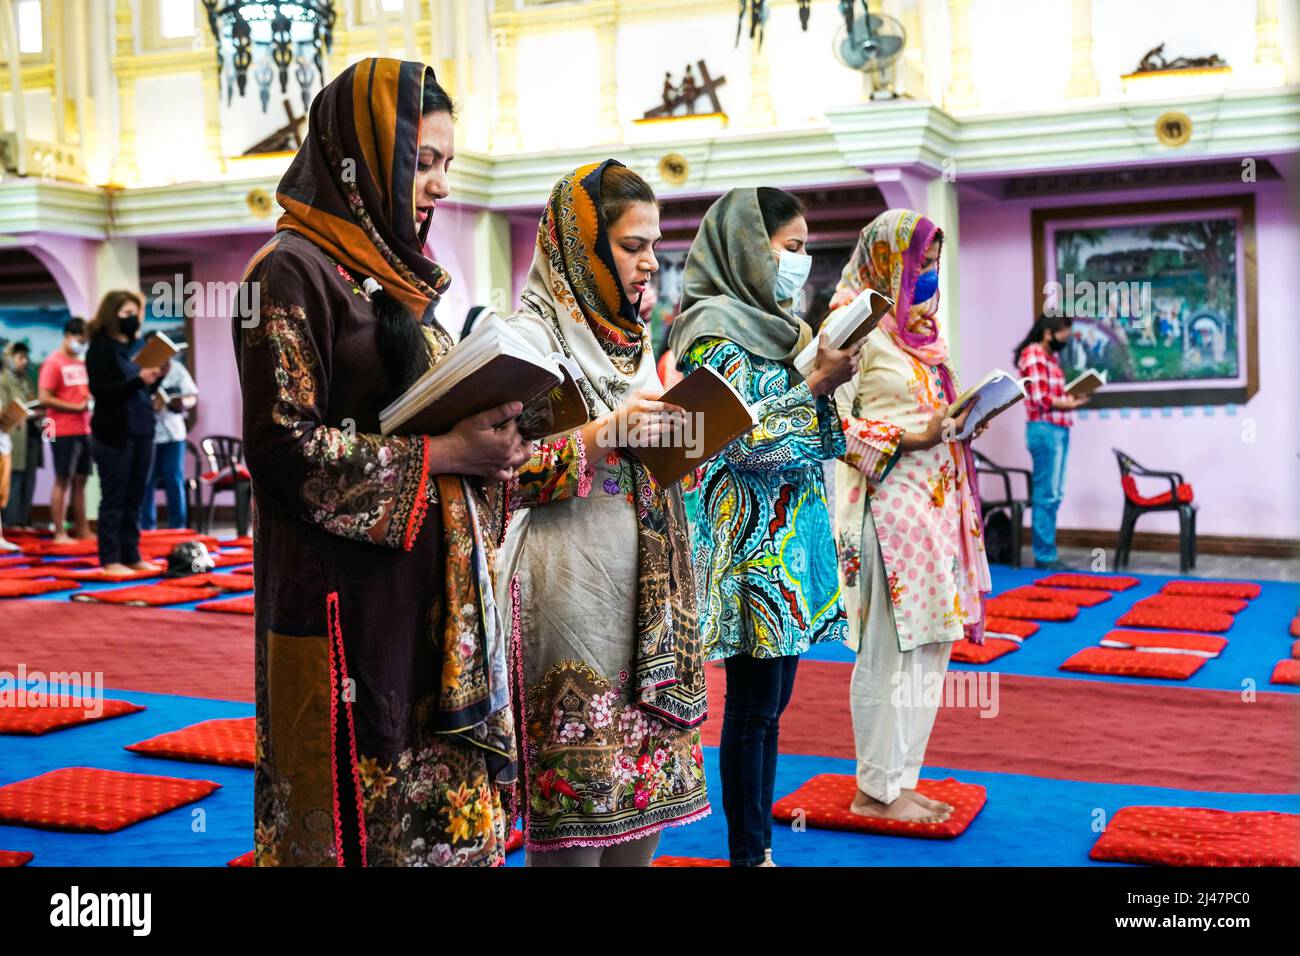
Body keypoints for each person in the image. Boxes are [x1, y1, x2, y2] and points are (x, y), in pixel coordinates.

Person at [236, 59, 529, 867]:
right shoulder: (286, 272)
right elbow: (282, 449)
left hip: (427, 600)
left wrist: (495, 432)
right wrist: (445, 451)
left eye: (445, 165)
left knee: (434, 831)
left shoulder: (396, 282)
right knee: (351, 828)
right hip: (345, 604)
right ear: (362, 161)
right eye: (421, 163)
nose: (438, 185)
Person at [495, 160, 709, 866]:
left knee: (639, 817)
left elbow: (642, 447)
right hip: (571, 601)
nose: (650, 262)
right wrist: (602, 435)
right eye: (630, 245)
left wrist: (683, 445)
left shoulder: (629, 337)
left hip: (650, 612)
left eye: (654, 245)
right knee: (577, 830)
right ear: (579, 250)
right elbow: (499, 474)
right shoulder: (525, 341)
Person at [669, 186, 860, 866]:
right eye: (793, 248)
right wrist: (814, 387)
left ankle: (760, 848)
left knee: (771, 705)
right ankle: (749, 854)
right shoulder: (710, 336)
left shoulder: (781, 329)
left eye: (808, 249)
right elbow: (740, 443)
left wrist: (825, 375)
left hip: (790, 544)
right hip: (748, 547)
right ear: (750, 247)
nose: (802, 264)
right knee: (751, 711)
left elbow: (803, 431)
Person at [829, 209, 991, 824]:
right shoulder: (854, 324)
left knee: (931, 645)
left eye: (932, 262)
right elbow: (824, 423)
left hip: (937, 508)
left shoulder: (918, 331)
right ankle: (873, 789)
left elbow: (928, 414)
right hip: (888, 509)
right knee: (890, 653)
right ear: (886, 258)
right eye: (917, 260)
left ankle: (902, 778)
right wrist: (911, 439)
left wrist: (960, 420)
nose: (926, 273)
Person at [86, 291, 164, 574]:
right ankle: (110, 558)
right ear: (112, 315)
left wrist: (157, 378)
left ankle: (131, 554)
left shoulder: (138, 345)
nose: (133, 318)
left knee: (136, 495)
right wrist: (137, 381)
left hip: (143, 427)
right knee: (114, 496)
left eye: (136, 313)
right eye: (127, 313)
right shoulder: (100, 348)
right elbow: (101, 391)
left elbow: (143, 389)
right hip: (113, 432)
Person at [1015, 314, 1085, 570]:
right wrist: (1067, 403)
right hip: (1044, 430)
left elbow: (1052, 394)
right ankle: (1044, 556)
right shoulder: (1033, 354)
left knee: (1054, 494)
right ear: (1048, 333)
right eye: (1063, 334)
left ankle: (1047, 553)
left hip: (1058, 428)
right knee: (1046, 494)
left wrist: (1071, 399)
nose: (1065, 339)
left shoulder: (1049, 358)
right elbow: (1039, 398)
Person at [37, 317, 93, 542]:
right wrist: (75, 407)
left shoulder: (81, 363)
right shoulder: (53, 362)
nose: (82, 344)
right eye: (80, 340)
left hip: (84, 429)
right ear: (68, 336)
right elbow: (44, 397)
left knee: (81, 480)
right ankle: (59, 531)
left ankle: (83, 529)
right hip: (60, 429)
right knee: (62, 479)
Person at [138, 333, 198, 530]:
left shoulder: (177, 369)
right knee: (146, 482)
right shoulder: (140, 370)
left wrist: (181, 403)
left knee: (174, 479)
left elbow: (191, 396)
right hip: (148, 434)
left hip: (173, 434)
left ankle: (177, 527)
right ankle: (147, 527)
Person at [0, 342, 44, 530]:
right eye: (20, 357)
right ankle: (11, 522)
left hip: (33, 432)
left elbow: (35, 401)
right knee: (14, 478)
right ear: (9, 357)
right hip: (14, 434)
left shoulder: (27, 380)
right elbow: (5, 409)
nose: (24, 362)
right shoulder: (3, 380)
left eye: (26, 357)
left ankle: (25, 520)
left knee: (29, 478)